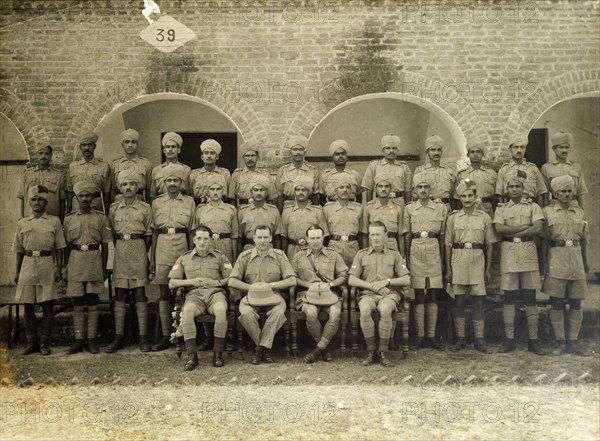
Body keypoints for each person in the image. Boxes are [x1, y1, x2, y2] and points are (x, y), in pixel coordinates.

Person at [493, 170, 545, 355]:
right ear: (506, 190)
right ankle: (509, 339)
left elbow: (538, 228)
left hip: (528, 251)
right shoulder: (501, 208)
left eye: (517, 186)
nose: (514, 189)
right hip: (508, 252)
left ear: (523, 189)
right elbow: (499, 229)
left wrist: (512, 231)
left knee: (530, 296)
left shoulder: (533, 207)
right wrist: (524, 227)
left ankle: (533, 340)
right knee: (509, 296)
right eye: (511, 186)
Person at [228, 224, 297, 364]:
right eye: (259, 237)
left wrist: (270, 286)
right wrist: (252, 288)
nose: (263, 240)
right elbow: (232, 281)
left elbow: (292, 280)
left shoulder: (280, 255)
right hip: (250, 297)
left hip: (274, 296)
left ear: (271, 238)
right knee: (246, 314)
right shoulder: (244, 256)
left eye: (266, 237)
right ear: (253, 238)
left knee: (278, 313)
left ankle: (260, 349)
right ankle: (264, 348)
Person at [168, 226, 233, 370]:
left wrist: (217, 283)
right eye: (199, 238)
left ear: (210, 240)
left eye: (205, 238)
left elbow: (232, 278)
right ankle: (192, 356)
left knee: (221, 310)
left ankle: (217, 354)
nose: (202, 242)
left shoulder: (219, 256)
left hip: (215, 295)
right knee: (188, 312)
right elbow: (172, 283)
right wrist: (192, 282)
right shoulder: (185, 258)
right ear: (193, 240)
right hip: (194, 296)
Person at [445, 179, 498, 353]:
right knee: (459, 300)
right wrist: (449, 269)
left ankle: (479, 339)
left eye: (470, 195)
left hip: (477, 259)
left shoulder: (484, 217)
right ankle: (461, 338)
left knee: (478, 301)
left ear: (476, 197)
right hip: (458, 259)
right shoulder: (453, 218)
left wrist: (488, 268)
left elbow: (489, 244)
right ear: (459, 198)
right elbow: (447, 244)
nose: (467, 199)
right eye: (463, 196)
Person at [349, 221, 411, 367]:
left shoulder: (394, 255)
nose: (375, 238)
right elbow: (351, 279)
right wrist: (372, 286)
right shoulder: (361, 254)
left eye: (378, 234)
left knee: (385, 309)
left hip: (388, 294)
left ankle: (383, 352)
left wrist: (387, 282)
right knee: (364, 310)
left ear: (385, 235)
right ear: (369, 236)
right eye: (372, 235)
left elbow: (407, 279)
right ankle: (371, 352)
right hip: (368, 294)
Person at [13, 185, 66, 355]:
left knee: (47, 305)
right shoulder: (22, 222)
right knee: (28, 305)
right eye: (34, 199)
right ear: (29, 201)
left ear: (45, 202)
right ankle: (31, 342)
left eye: (40, 200)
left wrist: (59, 269)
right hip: (28, 264)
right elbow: (19, 249)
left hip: (46, 264)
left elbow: (59, 247)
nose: (37, 203)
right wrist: (17, 271)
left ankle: (44, 343)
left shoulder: (54, 221)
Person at [541, 175, 591, 356]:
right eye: (563, 191)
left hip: (576, 258)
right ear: (555, 193)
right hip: (556, 258)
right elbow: (544, 240)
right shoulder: (547, 212)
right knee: (557, 301)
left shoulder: (580, 213)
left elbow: (584, 239)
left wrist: (585, 262)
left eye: (569, 190)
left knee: (576, 301)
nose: (566, 194)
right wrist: (544, 262)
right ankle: (560, 341)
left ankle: (573, 341)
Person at [149, 164, 196, 352]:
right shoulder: (157, 203)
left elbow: (192, 231)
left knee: (183, 293)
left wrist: (192, 255)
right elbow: (153, 232)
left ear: (181, 183)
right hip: (162, 247)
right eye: (169, 181)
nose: (172, 184)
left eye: (176, 180)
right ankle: (166, 335)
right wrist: (152, 258)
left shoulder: (189, 202)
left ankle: (183, 334)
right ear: (163, 183)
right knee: (163, 293)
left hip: (181, 246)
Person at [105, 170, 153, 353]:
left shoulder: (145, 208)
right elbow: (110, 233)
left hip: (139, 248)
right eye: (124, 185)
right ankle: (119, 337)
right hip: (121, 250)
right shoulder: (114, 208)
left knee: (140, 292)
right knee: (120, 294)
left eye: (132, 184)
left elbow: (148, 234)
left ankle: (143, 337)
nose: (128, 188)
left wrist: (142, 253)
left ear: (137, 187)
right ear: (119, 187)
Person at [63, 181, 112, 354]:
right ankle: (78, 340)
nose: (84, 199)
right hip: (75, 260)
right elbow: (65, 246)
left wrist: (105, 267)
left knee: (92, 299)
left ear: (93, 198)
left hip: (93, 260)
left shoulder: (101, 218)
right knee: (77, 300)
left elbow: (105, 244)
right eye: (81, 196)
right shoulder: (68, 219)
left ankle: (91, 339)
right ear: (76, 198)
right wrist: (64, 267)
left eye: (87, 196)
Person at [291, 225, 348, 363]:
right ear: (306, 239)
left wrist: (330, 285)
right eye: (312, 238)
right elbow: (292, 277)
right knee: (311, 312)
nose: (315, 241)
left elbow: (343, 275)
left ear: (323, 238)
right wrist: (309, 285)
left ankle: (318, 350)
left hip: (329, 294)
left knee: (335, 312)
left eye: (318, 237)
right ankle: (324, 348)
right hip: (307, 295)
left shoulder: (333, 254)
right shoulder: (299, 256)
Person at [403, 174, 447, 350]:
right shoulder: (409, 208)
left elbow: (443, 235)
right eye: (419, 187)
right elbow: (407, 234)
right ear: (414, 190)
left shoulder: (440, 208)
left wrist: (443, 259)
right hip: (416, 250)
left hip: (433, 248)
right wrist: (406, 257)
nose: (422, 190)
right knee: (419, 292)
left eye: (426, 187)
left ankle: (432, 336)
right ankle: (420, 336)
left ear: (431, 190)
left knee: (433, 293)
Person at [278, 177, 329, 260]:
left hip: (312, 250)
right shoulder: (287, 211)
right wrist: (284, 256)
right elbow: (284, 236)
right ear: (294, 192)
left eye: (303, 190)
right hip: (293, 250)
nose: (300, 192)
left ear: (308, 193)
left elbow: (324, 235)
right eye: (298, 190)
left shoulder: (318, 211)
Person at [195, 174, 239, 264]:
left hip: (226, 246)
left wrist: (234, 259)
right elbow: (195, 236)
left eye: (218, 189)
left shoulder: (231, 210)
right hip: (207, 246)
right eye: (212, 189)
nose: (215, 192)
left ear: (222, 191)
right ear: (208, 191)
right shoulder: (200, 210)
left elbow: (234, 237)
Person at [323, 174, 364, 267]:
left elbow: (362, 234)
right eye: (341, 187)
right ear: (335, 190)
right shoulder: (327, 209)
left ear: (351, 190)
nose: (345, 190)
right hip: (334, 249)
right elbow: (324, 235)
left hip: (353, 249)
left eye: (348, 187)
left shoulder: (358, 209)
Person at [495, 133, 547, 206]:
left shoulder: (533, 169)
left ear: (525, 149)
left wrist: (540, 211)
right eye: (516, 147)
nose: (519, 150)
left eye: (522, 147)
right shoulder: (504, 170)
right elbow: (500, 195)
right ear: (510, 150)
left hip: (531, 206)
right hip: (510, 207)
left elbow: (540, 193)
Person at [361, 135, 412, 208]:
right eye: (388, 148)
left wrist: (408, 209)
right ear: (382, 151)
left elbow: (407, 191)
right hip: (380, 203)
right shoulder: (374, 166)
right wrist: (370, 209)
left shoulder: (404, 167)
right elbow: (369, 190)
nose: (391, 151)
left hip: (399, 203)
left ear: (398, 151)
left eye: (394, 148)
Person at [18, 144, 66, 220]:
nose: (43, 156)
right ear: (36, 155)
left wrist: (61, 221)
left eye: (46, 154)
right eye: (40, 153)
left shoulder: (58, 175)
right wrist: (21, 218)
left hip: (51, 219)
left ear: (51, 155)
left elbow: (62, 200)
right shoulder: (27, 174)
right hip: (30, 219)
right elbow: (22, 198)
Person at [541, 131, 588, 209]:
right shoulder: (546, 168)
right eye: (561, 147)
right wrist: (545, 212)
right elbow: (545, 194)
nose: (564, 150)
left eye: (567, 147)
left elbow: (580, 193)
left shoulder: (576, 167)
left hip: (574, 206)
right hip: (555, 206)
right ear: (554, 149)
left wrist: (582, 212)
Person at [67, 132, 111, 214]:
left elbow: (106, 192)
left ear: (94, 146)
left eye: (89, 145)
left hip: (96, 205)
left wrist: (107, 214)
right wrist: (68, 213)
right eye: (84, 145)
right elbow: (70, 192)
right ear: (80, 147)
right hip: (77, 207)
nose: (86, 148)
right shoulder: (73, 167)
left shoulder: (103, 166)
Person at [275, 135, 319, 212]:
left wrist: (316, 213)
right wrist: (279, 215)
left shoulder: (312, 171)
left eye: (300, 149)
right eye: (295, 149)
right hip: (288, 208)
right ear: (290, 152)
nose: (298, 152)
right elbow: (279, 196)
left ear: (305, 152)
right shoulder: (282, 171)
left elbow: (315, 195)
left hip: (307, 208)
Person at [238, 175, 281, 251]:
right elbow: (240, 238)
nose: (258, 193)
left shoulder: (274, 211)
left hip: (268, 250)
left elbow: (277, 237)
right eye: (256, 190)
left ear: (266, 192)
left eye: (262, 190)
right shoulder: (243, 212)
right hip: (248, 249)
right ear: (251, 192)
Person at [454, 140, 497, 215]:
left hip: (487, 209)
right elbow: (457, 198)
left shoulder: (491, 173)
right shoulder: (462, 175)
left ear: (482, 154)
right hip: (468, 211)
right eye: (472, 152)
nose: (475, 154)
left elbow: (497, 196)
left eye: (478, 152)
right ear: (468, 155)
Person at [228, 140, 277, 208]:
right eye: (247, 156)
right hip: (242, 209)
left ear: (257, 157)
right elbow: (232, 199)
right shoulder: (236, 175)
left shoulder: (265, 174)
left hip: (261, 209)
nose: (250, 159)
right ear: (243, 157)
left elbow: (271, 198)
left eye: (253, 155)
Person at [412, 135, 455, 211]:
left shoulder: (449, 171)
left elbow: (452, 194)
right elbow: (415, 195)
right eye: (433, 150)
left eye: (438, 150)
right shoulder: (420, 170)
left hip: (445, 208)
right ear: (427, 152)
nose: (436, 153)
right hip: (427, 208)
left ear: (442, 152)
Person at [362, 173, 403, 252]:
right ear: (375, 189)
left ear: (391, 189)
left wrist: (402, 257)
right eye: (380, 186)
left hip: (392, 247)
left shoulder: (397, 208)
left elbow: (400, 235)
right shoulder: (369, 207)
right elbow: (364, 234)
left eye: (386, 186)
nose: (383, 189)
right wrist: (365, 253)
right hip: (373, 247)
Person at [110, 129, 153, 204]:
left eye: (133, 142)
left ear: (137, 144)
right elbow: (113, 189)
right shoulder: (115, 164)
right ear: (122, 145)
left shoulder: (146, 164)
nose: (130, 145)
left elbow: (148, 190)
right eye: (127, 142)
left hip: (139, 202)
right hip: (119, 202)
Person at [318, 139, 362, 204]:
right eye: (337, 154)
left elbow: (359, 196)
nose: (340, 156)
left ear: (347, 157)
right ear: (332, 157)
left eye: (343, 154)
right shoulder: (325, 175)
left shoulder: (355, 175)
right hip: (331, 209)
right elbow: (322, 197)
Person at [189, 139, 231, 205]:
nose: (209, 156)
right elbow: (191, 195)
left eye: (212, 153)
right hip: (200, 208)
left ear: (217, 157)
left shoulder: (225, 173)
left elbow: (229, 196)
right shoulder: (194, 174)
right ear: (202, 157)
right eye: (206, 153)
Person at [150, 132, 191, 199]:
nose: (170, 149)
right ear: (164, 150)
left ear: (179, 150)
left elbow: (189, 195)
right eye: (168, 147)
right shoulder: (156, 170)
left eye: (173, 147)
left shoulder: (186, 170)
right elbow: (152, 195)